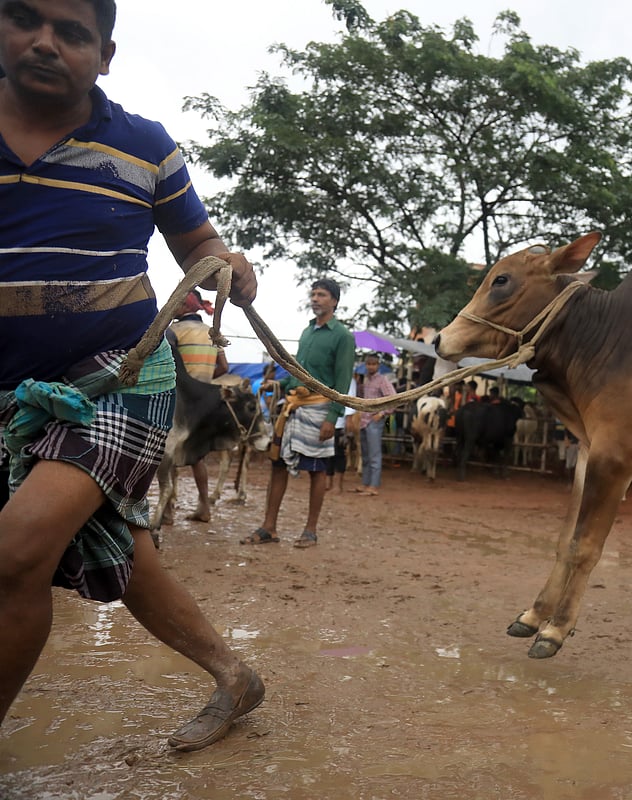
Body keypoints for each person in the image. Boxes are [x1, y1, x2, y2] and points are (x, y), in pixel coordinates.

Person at [0, 0, 263, 751]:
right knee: (115, 542)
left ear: (103, 54)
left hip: (121, 375)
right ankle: (233, 673)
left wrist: (230, 269)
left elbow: (202, 248)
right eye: (25, 19)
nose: (46, 42)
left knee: (18, 547)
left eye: (73, 32)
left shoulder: (145, 147)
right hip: (14, 393)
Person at [244, 278, 354, 548]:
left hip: (319, 410)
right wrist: (278, 384)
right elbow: (298, 375)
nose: (316, 298)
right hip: (291, 409)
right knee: (277, 465)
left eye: (322, 295)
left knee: (317, 471)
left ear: (335, 302)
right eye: (314, 294)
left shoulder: (343, 336)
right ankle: (269, 527)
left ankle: (310, 531)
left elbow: (342, 383)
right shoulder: (307, 332)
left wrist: (333, 417)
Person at [166, 289, 229, 523]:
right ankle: (204, 506)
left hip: (178, 401)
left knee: (169, 455)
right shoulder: (213, 333)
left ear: (183, 306)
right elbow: (223, 367)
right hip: (204, 403)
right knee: (197, 455)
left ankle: (168, 510)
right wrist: (202, 382)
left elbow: (166, 366)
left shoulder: (172, 331)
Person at [355, 352, 396, 496]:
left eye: (373, 364)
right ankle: (365, 483)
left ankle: (374, 485)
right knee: (365, 454)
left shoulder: (383, 380)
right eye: (368, 364)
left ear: (378, 365)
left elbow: (393, 399)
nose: (371, 366)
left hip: (374, 420)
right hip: (364, 421)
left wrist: (382, 413)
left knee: (374, 454)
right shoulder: (366, 381)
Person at [325, 375, 358, 494]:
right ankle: (328, 482)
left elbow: (350, 399)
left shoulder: (349, 380)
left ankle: (338, 485)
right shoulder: (328, 376)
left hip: (340, 422)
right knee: (327, 453)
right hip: (326, 420)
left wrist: (349, 419)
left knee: (339, 453)